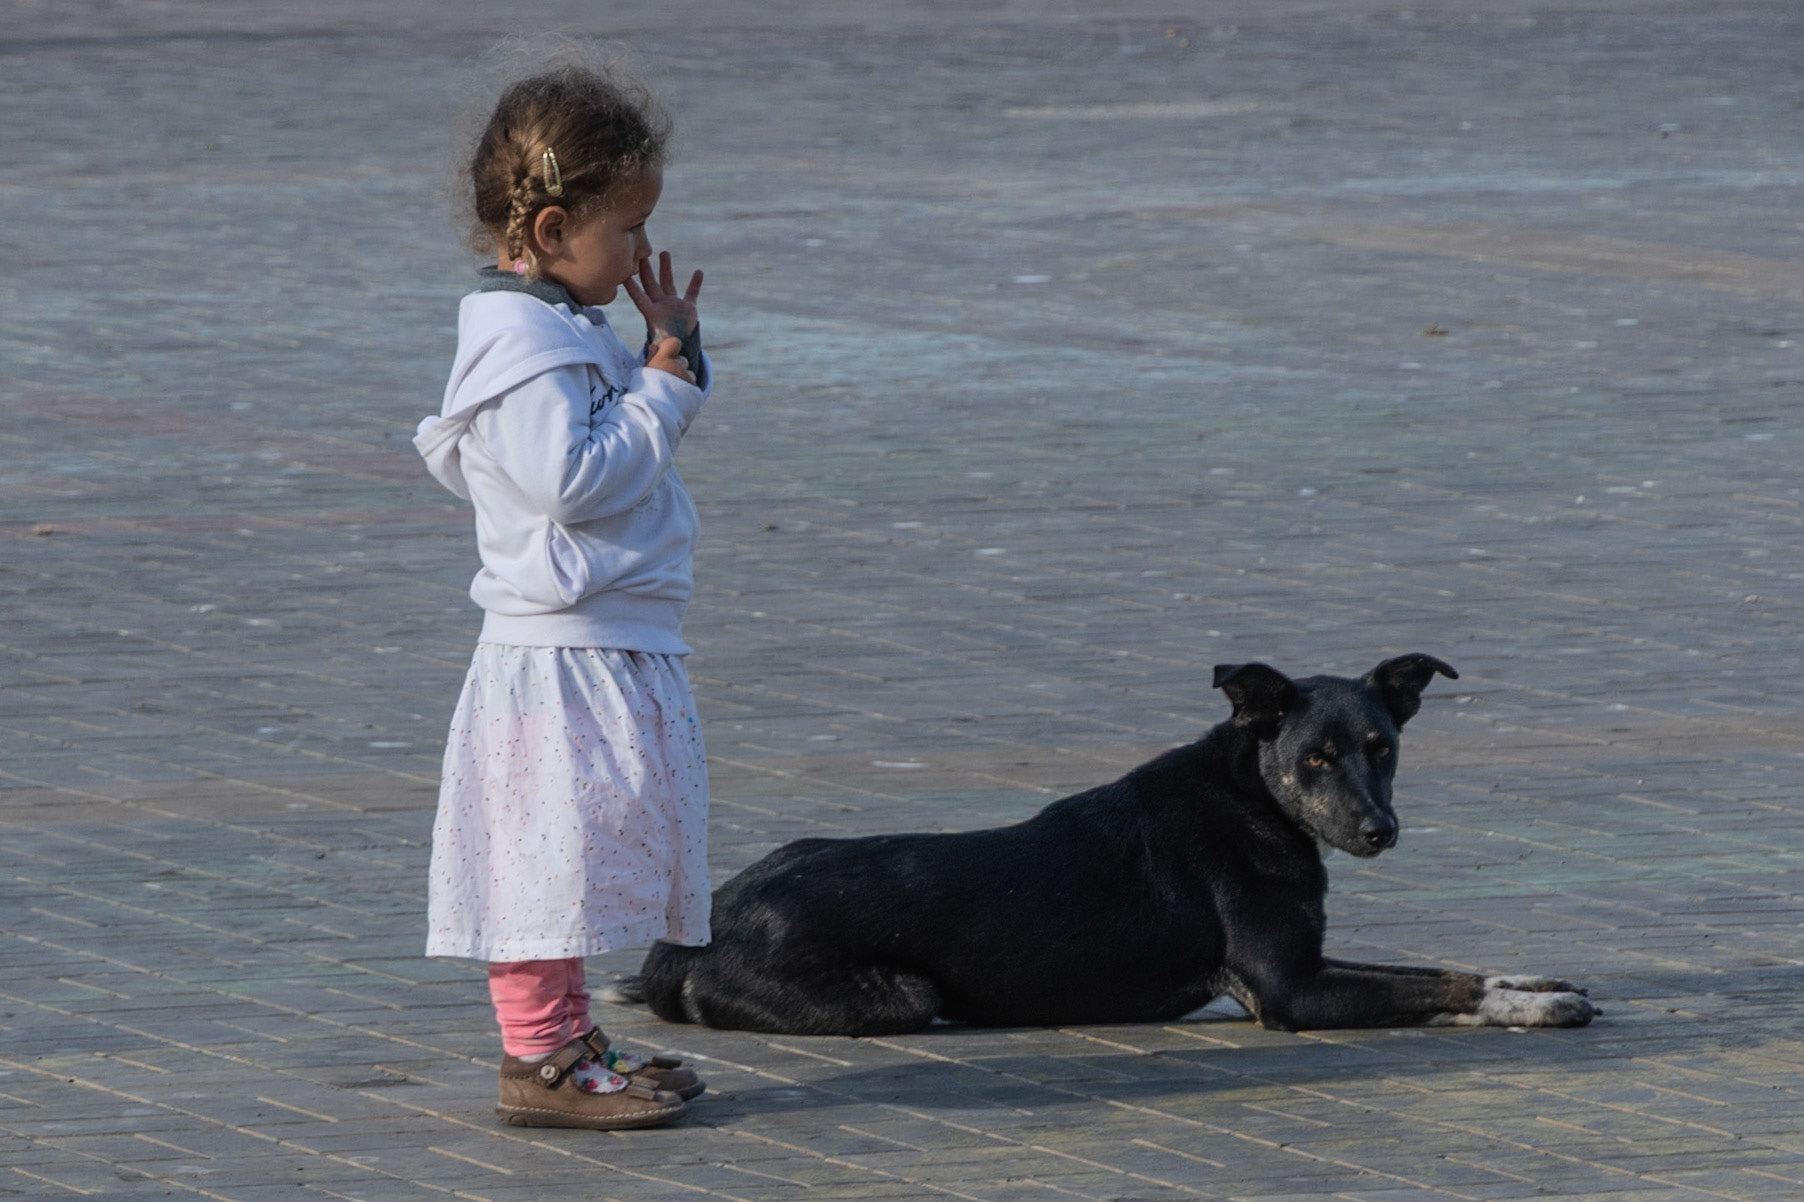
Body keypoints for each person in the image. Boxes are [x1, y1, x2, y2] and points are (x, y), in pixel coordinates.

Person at [413, 61, 713, 1131]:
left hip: (601, 636)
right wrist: (662, 398)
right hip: (559, 651)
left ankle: (567, 1032)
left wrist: (662, 357)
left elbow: (596, 442)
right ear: (547, 228)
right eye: (626, 228)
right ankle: (536, 1055)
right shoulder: (523, 347)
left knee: (579, 845)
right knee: (550, 852)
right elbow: (570, 481)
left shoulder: (556, 331)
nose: (637, 251)